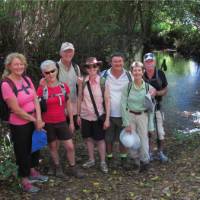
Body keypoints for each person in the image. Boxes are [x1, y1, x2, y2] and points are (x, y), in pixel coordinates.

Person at [1, 53, 48, 193]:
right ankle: (25, 180)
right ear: (9, 66)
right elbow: (16, 110)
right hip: (19, 123)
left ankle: (32, 172)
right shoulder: (6, 84)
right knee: (22, 151)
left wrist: (39, 119)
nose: (19, 66)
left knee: (35, 146)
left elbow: (36, 100)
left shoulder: (26, 79)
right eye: (16, 64)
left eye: (21, 64)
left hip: (34, 119)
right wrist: (35, 120)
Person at [37, 60, 84, 178]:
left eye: (53, 71)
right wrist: (38, 121)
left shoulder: (63, 86)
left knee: (70, 146)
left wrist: (72, 122)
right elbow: (37, 106)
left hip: (62, 121)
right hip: (48, 123)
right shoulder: (41, 88)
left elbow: (68, 104)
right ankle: (58, 168)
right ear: (43, 73)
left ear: (57, 70)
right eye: (47, 72)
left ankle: (73, 168)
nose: (50, 74)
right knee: (53, 147)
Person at [77, 57, 110, 173]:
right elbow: (80, 98)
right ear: (86, 68)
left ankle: (102, 162)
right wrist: (78, 115)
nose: (92, 68)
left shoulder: (103, 82)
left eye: (94, 66)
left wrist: (107, 119)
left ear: (98, 67)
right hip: (85, 116)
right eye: (89, 66)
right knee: (88, 139)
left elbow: (107, 101)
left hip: (99, 116)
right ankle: (91, 159)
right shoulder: (83, 82)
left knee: (100, 140)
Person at [121, 61, 155, 172]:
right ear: (131, 72)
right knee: (131, 140)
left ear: (143, 72)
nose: (137, 72)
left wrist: (151, 126)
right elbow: (123, 105)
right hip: (130, 115)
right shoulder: (128, 87)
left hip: (143, 116)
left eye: (139, 70)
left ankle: (145, 162)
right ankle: (135, 161)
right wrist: (126, 123)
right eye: (134, 70)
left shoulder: (148, 88)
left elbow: (151, 108)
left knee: (144, 139)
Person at [102, 52, 132, 167]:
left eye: (120, 61)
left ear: (123, 62)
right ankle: (110, 159)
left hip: (124, 114)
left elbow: (139, 87)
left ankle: (124, 160)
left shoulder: (129, 75)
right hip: (108, 113)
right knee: (108, 139)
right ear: (111, 62)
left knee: (123, 138)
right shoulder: (104, 75)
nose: (118, 63)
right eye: (115, 61)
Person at [143, 52, 168, 162]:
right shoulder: (140, 74)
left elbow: (165, 89)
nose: (149, 63)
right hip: (145, 108)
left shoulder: (160, 73)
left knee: (160, 131)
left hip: (157, 107)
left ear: (154, 62)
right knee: (149, 131)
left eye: (151, 61)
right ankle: (149, 153)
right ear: (144, 63)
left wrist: (156, 93)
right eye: (147, 62)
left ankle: (160, 152)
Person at [57, 42, 82, 128]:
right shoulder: (55, 67)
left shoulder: (76, 67)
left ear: (73, 53)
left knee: (72, 131)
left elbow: (79, 88)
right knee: (60, 133)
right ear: (60, 53)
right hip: (59, 106)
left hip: (74, 106)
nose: (68, 54)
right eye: (65, 51)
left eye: (70, 51)